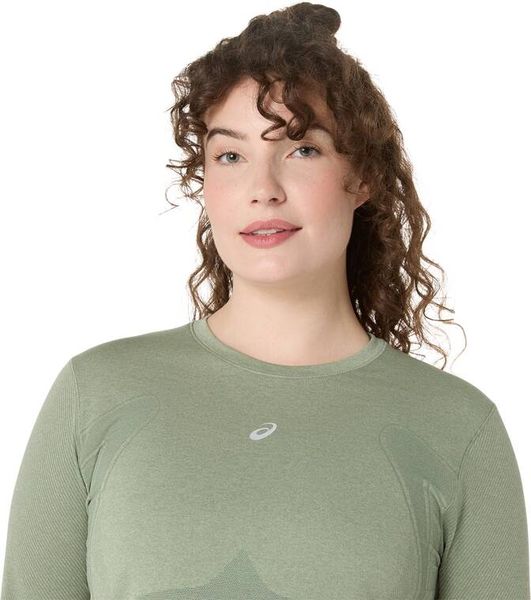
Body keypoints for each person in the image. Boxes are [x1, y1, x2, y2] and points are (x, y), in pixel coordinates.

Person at [1, 3, 529, 599]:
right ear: (205, 182)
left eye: (302, 149)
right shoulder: (94, 393)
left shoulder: (459, 427)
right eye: (231, 156)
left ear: (362, 177)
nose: (263, 189)